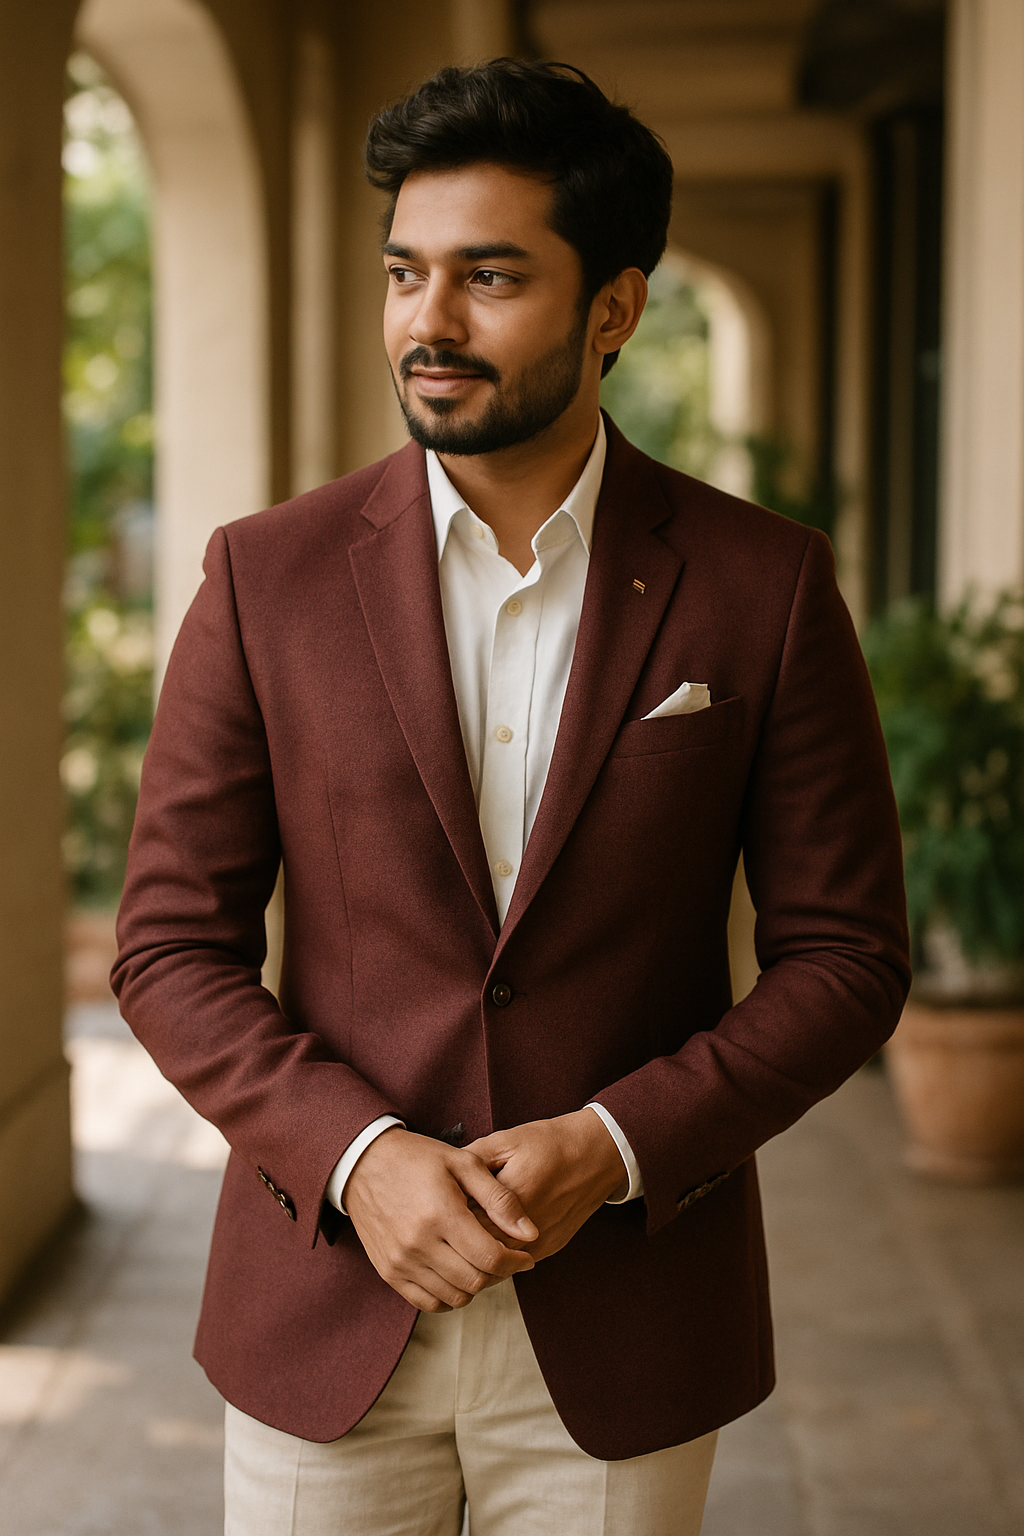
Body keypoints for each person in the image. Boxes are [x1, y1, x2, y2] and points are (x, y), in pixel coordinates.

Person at [113, 58, 910, 1536]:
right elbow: (168, 948)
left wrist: (614, 1145)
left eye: (490, 277)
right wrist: (358, 1160)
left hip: (627, 1315)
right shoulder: (262, 577)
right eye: (406, 273)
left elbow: (848, 958)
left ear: (615, 308)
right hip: (325, 1305)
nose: (428, 322)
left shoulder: (764, 584)